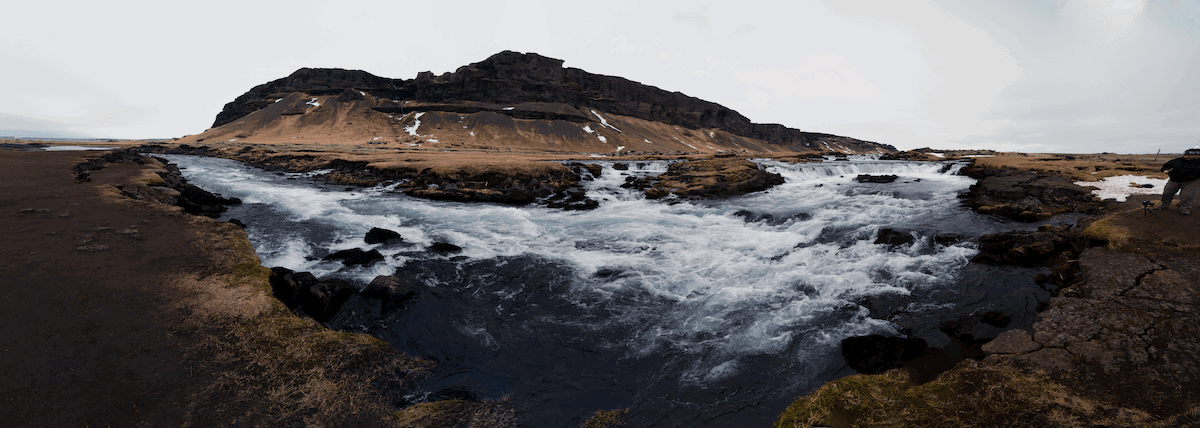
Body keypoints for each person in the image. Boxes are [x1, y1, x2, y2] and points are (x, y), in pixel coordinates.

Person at [1158, 148, 1200, 215]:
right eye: (1185, 155)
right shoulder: (1177, 161)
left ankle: (1185, 209)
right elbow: (1166, 166)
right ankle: (1163, 206)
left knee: (1187, 196)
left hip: (1191, 182)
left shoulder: (1198, 163)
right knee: (1167, 193)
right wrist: (1165, 170)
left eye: (1189, 155)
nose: (1186, 156)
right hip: (1174, 180)